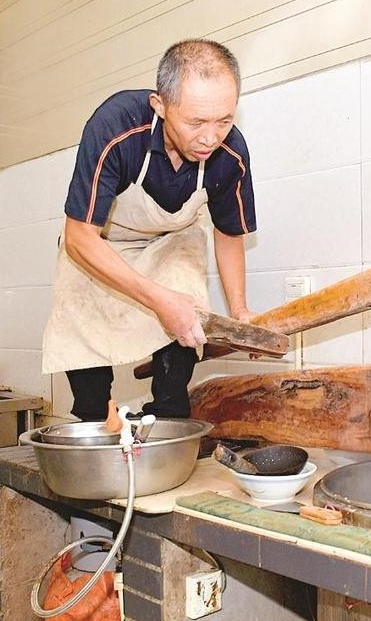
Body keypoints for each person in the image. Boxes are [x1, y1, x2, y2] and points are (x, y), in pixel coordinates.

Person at [42, 39, 255, 421]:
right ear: (160, 104)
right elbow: (79, 237)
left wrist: (240, 312)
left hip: (172, 240)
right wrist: (158, 301)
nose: (211, 138)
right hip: (100, 241)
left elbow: (228, 232)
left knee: (184, 293)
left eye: (224, 120)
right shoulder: (115, 127)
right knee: (80, 305)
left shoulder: (231, 154)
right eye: (196, 122)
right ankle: (93, 419)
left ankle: (169, 416)